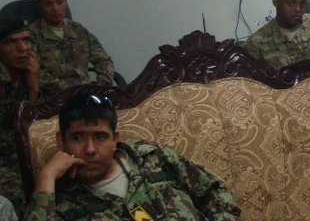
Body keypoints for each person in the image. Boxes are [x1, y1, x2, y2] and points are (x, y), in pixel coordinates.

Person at [24, 92, 241, 221]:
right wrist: (46, 177)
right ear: (61, 141)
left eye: (100, 137)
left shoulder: (152, 157)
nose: (90, 149)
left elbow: (214, 192)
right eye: (78, 138)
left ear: (115, 139)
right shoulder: (58, 200)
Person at [28, 0, 114, 98]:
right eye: (48, 4)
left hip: (87, 93)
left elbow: (103, 60)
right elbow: (36, 74)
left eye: (60, 2)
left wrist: (101, 85)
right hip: (53, 98)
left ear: (66, 2)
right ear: (40, 6)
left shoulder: (78, 29)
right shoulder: (31, 35)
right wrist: (70, 92)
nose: (55, 8)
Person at [0, 17, 41, 218]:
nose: (23, 48)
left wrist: (33, 86)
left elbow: (41, 118)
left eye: (26, 40)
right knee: (22, 193)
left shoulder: (31, 68)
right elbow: (9, 125)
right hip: (4, 157)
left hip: (25, 149)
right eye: (11, 42)